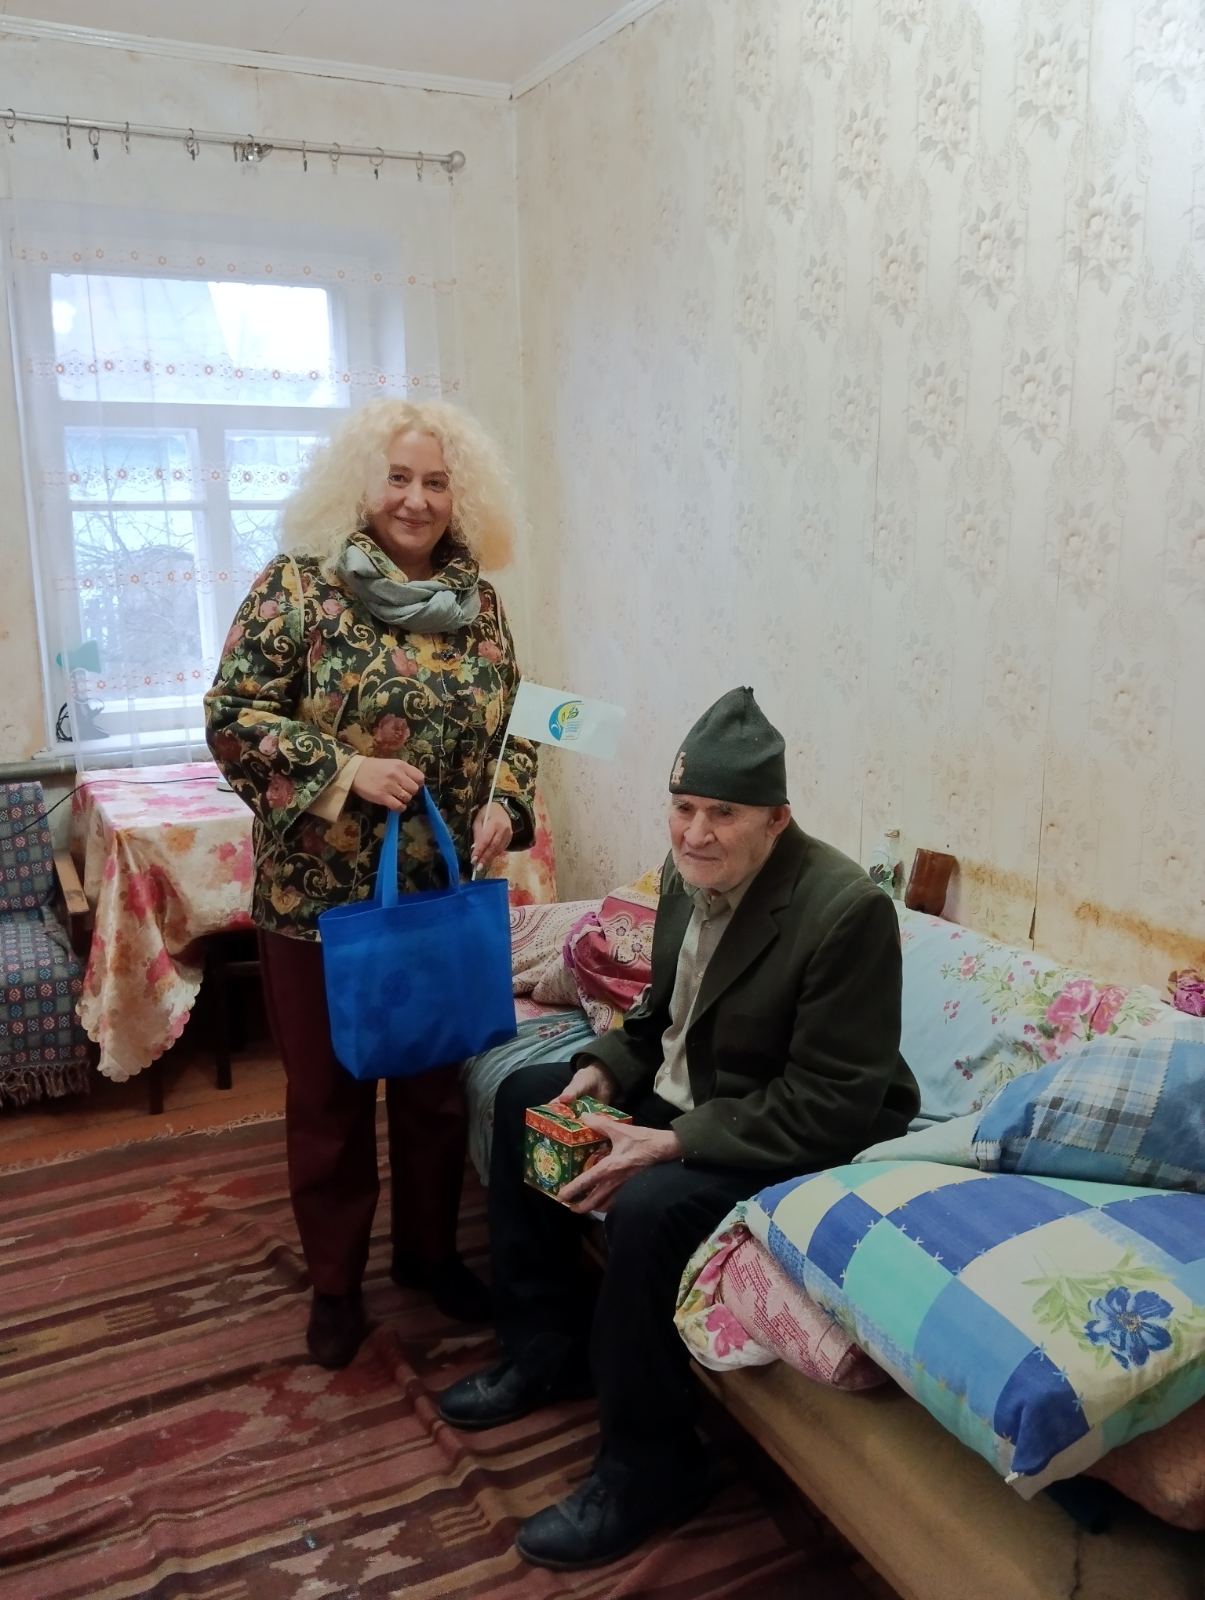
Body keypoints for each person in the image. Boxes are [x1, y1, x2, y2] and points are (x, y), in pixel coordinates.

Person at [438, 687, 919, 1571]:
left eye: (722, 813)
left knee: (650, 1208)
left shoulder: (844, 911)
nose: (695, 832)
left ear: (776, 819)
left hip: (782, 1128)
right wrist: (599, 1071)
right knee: (530, 1099)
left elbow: (833, 1102)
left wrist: (670, 1143)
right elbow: (659, 1019)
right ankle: (544, 1349)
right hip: (692, 1094)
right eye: (683, 806)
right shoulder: (681, 878)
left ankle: (652, 1467)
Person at [205, 398, 537, 1371]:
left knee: (434, 1094)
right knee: (330, 1102)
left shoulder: (479, 605)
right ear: (363, 484)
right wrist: (344, 769)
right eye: (398, 477)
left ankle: (429, 1257)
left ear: (460, 497)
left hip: (438, 898)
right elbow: (232, 714)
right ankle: (335, 1287)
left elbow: (520, 725)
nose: (415, 499)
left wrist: (506, 803)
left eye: (435, 482)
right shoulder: (298, 587)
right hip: (317, 907)